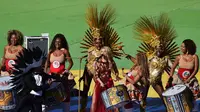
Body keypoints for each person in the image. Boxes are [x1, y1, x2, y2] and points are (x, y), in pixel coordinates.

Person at [128, 13, 179, 111]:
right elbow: (138, 62)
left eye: (162, 47)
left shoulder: (166, 58)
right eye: (159, 47)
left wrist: (178, 74)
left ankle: (170, 110)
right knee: (143, 98)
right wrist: (129, 57)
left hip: (156, 81)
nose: (161, 48)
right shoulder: (150, 56)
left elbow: (173, 68)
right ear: (155, 47)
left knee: (163, 96)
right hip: (146, 80)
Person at [79, 4, 123, 112]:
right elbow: (88, 62)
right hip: (91, 71)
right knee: (85, 90)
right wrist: (85, 74)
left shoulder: (107, 49)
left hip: (104, 74)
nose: (98, 43)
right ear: (93, 41)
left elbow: (112, 62)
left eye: (100, 41)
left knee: (106, 92)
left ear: (102, 41)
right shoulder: (90, 50)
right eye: (96, 41)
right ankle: (83, 108)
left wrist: (116, 73)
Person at [11, 47, 54, 112]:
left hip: (38, 99)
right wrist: (47, 85)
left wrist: (60, 77)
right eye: (41, 65)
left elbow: (49, 77)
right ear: (35, 66)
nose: (42, 66)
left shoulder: (41, 73)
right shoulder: (27, 77)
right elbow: (35, 88)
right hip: (28, 98)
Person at [44, 33, 74, 111]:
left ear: (62, 43)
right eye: (56, 42)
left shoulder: (65, 51)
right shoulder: (50, 51)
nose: (57, 43)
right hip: (51, 76)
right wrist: (45, 73)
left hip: (61, 77)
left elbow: (71, 63)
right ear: (54, 42)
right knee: (50, 95)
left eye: (59, 42)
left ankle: (66, 110)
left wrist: (66, 71)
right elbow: (47, 63)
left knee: (65, 94)